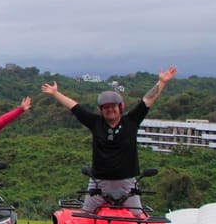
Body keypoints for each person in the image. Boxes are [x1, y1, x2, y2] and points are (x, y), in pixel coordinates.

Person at [41, 66, 177, 213]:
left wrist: (162, 82)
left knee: (139, 219)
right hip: (99, 183)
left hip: (127, 183)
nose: (109, 110)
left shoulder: (131, 121)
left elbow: (148, 100)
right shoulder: (95, 123)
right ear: (101, 110)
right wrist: (55, 93)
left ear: (120, 107)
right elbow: (75, 107)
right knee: (85, 218)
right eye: (105, 107)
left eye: (113, 107)